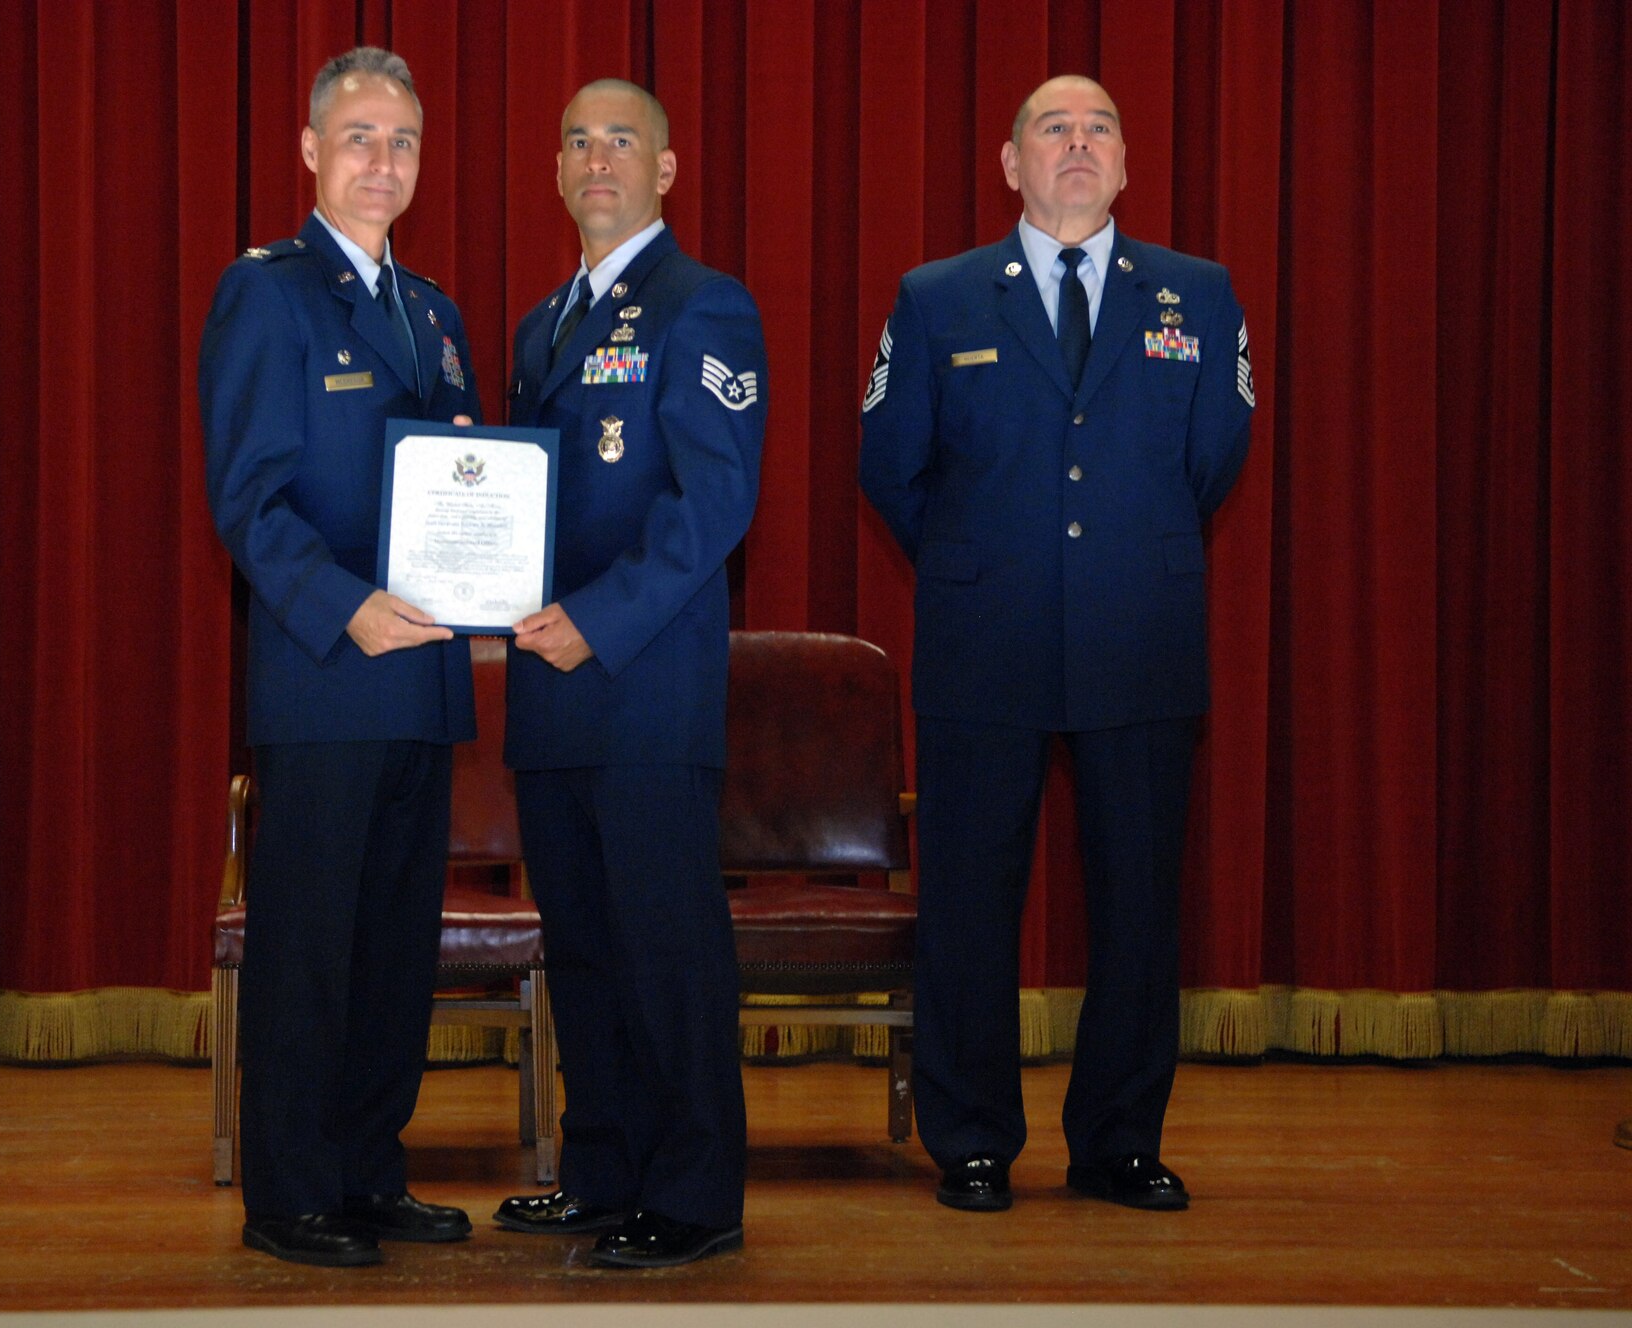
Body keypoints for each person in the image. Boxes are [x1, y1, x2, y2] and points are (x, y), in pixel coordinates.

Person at [859, 75, 1254, 1214]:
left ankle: (1119, 1140)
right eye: (1052, 128)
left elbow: (1213, 456)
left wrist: (1112, 551)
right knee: (969, 905)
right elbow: (892, 464)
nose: (1077, 144)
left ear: (1123, 164)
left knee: (1138, 904)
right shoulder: (936, 298)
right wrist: (989, 556)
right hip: (983, 637)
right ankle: (973, 1138)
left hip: (1138, 636)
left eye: (1098, 129)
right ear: (1010, 163)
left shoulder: (1197, 294)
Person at [198, 47, 482, 1267]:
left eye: (402, 141)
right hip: (325, 672)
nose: (382, 160)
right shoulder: (266, 293)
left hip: (422, 682)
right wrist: (345, 605)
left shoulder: (435, 311)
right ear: (311, 150)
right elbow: (247, 498)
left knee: (392, 951)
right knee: (309, 948)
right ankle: (290, 1190)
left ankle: (368, 1168)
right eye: (359, 136)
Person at [489, 79, 766, 1269]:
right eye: (575, 141)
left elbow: (714, 505)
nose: (594, 157)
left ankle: (694, 1190)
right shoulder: (539, 326)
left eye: (620, 140)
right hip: (551, 689)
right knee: (586, 947)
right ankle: (601, 1167)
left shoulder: (704, 305)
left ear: (663, 170)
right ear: (556, 172)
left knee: (665, 947)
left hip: (643, 681)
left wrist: (593, 624)